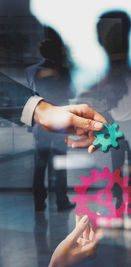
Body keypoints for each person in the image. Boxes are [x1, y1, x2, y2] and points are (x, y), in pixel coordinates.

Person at [26, 37, 75, 211]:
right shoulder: (63, 71)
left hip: (41, 122)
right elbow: (71, 91)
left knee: (40, 164)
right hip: (60, 122)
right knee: (60, 162)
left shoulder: (30, 71)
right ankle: (61, 200)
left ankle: (39, 202)